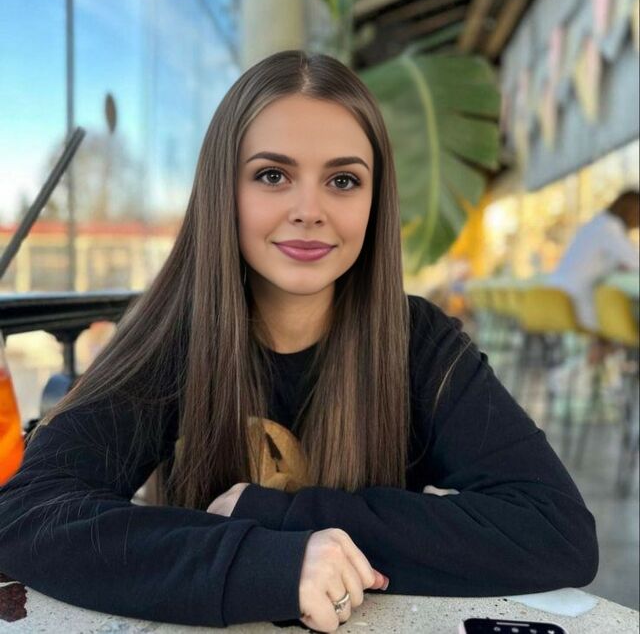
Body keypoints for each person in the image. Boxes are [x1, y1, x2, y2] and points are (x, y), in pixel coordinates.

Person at [0, 51, 598, 633]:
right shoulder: (173, 340)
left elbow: (557, 530)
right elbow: (28, 514)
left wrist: (279, 515)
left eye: (343, 180)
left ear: (375, 202)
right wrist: (269, 564)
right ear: (223, 190)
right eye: (272, 176)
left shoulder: (419, 342)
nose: (309, 210)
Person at [546, 190, 639, 360]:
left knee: (611, 330)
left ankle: (601, 361)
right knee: (619, 324)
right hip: (574, 300)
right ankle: (605, 359)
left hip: (558, 294)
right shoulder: (609, 228)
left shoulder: (597, 224)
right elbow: (635, 261)